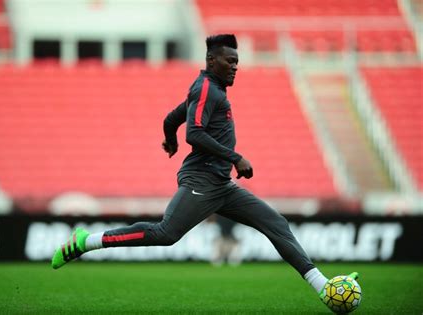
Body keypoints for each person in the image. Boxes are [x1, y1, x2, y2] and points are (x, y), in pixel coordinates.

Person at [51, 34, 358, 303]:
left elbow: (173, 120)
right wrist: (236, 157)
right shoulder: (207, 90)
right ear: (212, 61)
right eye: (229, 61)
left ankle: (323, 287)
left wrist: (169, 141)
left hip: (221, 184)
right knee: (166, 233)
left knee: (276, 224)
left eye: (237, 61)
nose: (235, 66)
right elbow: (194, 133)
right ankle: (86, 242)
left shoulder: (209, 91)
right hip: (202, 180)